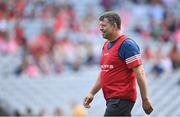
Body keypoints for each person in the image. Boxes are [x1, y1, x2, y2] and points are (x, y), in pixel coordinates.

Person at [83, 11, 153, 116]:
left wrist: (145, 99)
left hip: (121, 99)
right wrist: (92, 92)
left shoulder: (127, 45)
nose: (100, 28)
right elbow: (105, 71)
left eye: (104, 25)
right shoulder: (106, 45)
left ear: (114, 25)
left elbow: (140, 72)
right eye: (100, 26)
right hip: (113, 100)